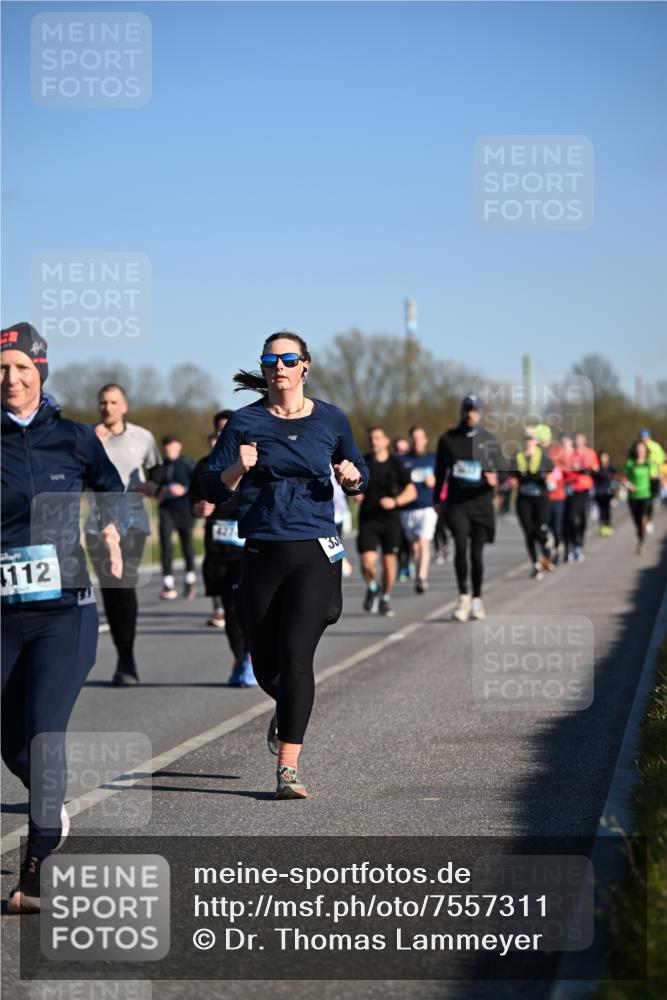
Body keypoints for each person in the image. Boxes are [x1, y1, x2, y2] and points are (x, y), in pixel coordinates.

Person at [203, 331, 367, 799]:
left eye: (288, 358)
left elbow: (357, 470)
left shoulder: (331, 419)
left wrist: (353, 476)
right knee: (267, 668)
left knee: (297, 658)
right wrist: (238, 467)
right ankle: (289, 707)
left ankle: (288, 767)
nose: (279, 366)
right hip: (260, 550)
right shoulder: (244, 422)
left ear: (305, 366)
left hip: (314, 551)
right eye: (271, 359)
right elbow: (213, 488)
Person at [1, 323, 125, 912]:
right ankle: (50, 804)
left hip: (63, 612)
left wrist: (110, 531)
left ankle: (36, 865)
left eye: (22, 368)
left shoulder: (74, 439)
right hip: (2, 615)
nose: (11, 379)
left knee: (45, 733)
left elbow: (112, 490)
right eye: (2, 369)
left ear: (40, 373)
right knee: (12, 745)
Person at [85, 383, 161, 685]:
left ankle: (126, 659)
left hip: (133, 523)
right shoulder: (87, 438)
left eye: (114, 402)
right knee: (110, 590)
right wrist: (93, 448)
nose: (108, 408)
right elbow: (74, 477)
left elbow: (157, 472)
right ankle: (122, 653)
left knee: (124, 585)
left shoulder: (142, 437)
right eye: (103, 403)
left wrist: (154, 487)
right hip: (96, 525)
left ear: (124, 406)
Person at [190, 419, 254, 687]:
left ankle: (252, 657)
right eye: (219, 431)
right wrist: (199, 509)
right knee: (229, 609)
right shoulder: (205, 466)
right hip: (218, 548)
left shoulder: (253, 463)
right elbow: (193, 503)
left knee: (250, 608)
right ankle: (240, 658)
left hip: (248, 548)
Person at [433, 394, 501, 622]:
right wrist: (437, 501)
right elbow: (440, 472)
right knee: (461, 548)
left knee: (477, 554)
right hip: (457, 503)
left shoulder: (489, 440)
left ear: (480, 413)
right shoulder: (448, 439)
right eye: (468, 408)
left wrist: (496, 480)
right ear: (462, 411)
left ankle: (477, 599)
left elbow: (501, 468)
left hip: (481, 503)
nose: (471, 413)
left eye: (475, 409)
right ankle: (463, 596)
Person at [356, 427, 416, 617]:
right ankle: (373, 587)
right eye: (371, 438)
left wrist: (395, 501)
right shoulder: (362, 461)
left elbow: (412, 491)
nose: (374, 441)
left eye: (378, 438)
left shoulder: (396, 463)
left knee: (389, 564)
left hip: (390, 519)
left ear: (386, 441)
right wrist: (355, 493)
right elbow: (351, 483)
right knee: (367, 562)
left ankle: (385, 598)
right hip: (368, 517)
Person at [150, 435, 197, 600]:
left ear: (179, 446)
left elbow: (199, 484)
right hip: (166, 509)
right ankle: (168, 584)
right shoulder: (160, 466)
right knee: (166, 545)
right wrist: (162, 490)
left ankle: (190, 580)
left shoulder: (188, 464)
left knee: (187, 544)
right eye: (166, 446)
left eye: (172, 446)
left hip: (185, 509)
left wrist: (184, 490)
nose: (168, 449)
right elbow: (153, 487)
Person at [512, 428, 555, 579]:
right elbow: (510, 475)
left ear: (536, 441)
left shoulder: (544, 458)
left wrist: (550, 480)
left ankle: (546, 545)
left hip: (541, 498)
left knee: (540, 531)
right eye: (526, 438)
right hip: (524, 499)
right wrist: (509, 480)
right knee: (529, 532)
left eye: (531, 438)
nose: (528, 441)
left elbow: (552, 473)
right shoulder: (517, 457)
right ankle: (536, 565)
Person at [400, 426, 438, 593]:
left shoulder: (433, 459)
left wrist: (435, 480)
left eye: (420, 437)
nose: (417, 441)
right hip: (408, 509)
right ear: (410, 440)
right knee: (414, 546)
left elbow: (443, 480)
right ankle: (419, 574)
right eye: (414, 438)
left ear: (425, 439)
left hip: (427, 507)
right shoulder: (403, 460)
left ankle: (422, 577)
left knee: (423, 541)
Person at [563, 432, 599, 562]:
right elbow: (565, 471)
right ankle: (573, 544)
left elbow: (595, 469)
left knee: (583, 518)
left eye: (580, 440)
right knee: (571, 519)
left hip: (586, 490)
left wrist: (583, 469)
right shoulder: (570, 455)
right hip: (572, 490)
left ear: (584, 440)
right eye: (576, 440)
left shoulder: (590, 453)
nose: (578, 442)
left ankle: (579, 544)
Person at [623, 439, 658, 555]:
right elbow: (624, 478)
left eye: (642, 450)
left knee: (643, 518)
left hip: (645, 495)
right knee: (636, 521)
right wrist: (629, 485)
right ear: (635, 451)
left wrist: (658, 476)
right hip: (633, 496)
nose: (640, 452)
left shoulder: (648, 463)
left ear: (645, 451)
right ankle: (640, 536)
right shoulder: (630, 463)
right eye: (638, 450)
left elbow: (654, 475)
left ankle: (641, 542)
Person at [638, 429, 665, 534]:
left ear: (649, 436)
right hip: (642, 477)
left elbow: (662, 459)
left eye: (645, 436)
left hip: (653, 477)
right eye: (642, 436)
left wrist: (655, 463)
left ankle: (648, 519)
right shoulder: (638, 446)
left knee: (650, 500)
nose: (643, 438)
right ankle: (644, 518)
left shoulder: (655, 446)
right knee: (644, 499)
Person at [593, 450, 618, 537]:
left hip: (608, 493)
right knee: (601, 510)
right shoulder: (597, 468)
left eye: (605, 457)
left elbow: (616, 478)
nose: (604, 459)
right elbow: (596, 477)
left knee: (607, 510)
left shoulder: (611, 468)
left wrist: (615, 491)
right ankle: (603, 526)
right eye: (602, 457)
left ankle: (608, 525)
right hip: (599, 493)